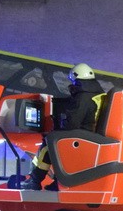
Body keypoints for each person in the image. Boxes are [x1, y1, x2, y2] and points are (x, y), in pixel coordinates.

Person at [26, 63, 105, 191]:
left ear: (75, 78)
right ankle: (58, 182)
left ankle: (34, 180)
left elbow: (73, 123)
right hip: (91, 136)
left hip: (82, 136)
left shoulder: (82, 97)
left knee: (49, 143)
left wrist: (58, 129)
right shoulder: (97, 93)